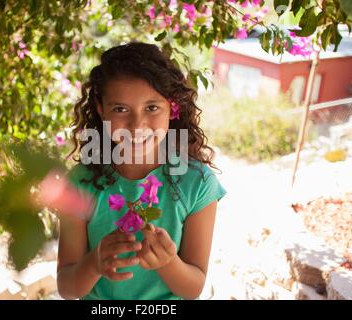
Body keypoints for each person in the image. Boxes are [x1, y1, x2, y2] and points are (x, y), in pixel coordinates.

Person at [55, 42, 227, 300]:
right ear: (101, 109)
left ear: (173, 107)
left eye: (152, 108)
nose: (137, 126)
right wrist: (94, 263)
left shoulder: (198, 184)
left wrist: (168, 263)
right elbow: (67, 289)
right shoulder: (80, 182)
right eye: (120, 109)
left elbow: (193, 289)